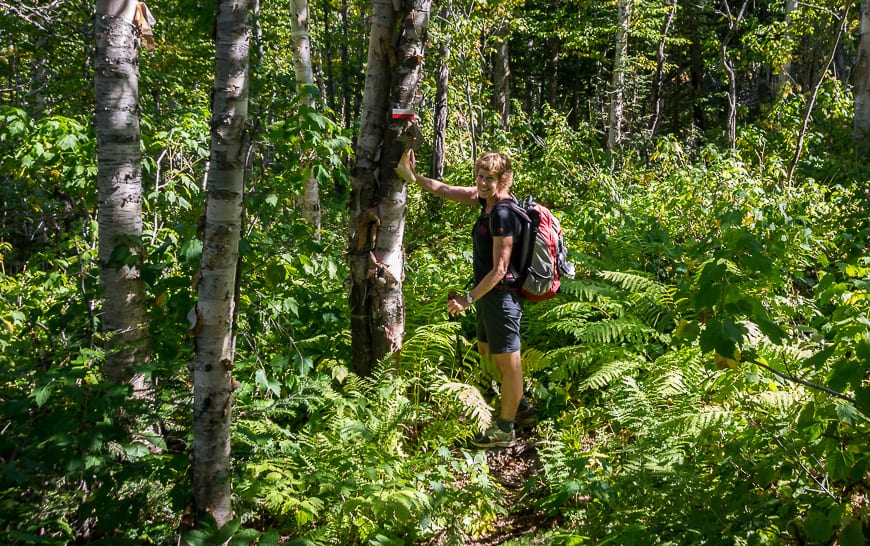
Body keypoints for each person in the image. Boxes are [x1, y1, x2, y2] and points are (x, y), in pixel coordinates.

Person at [396, 149, 534, 448]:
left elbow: (499, 269)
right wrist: (415, 177)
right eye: (480, 176)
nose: (482, 183)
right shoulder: (487, 202)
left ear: (504, 179)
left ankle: (505, 428)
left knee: (509, 364)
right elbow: (447, 190)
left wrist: (467, 299)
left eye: (490, 178)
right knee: (487, 353)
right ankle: (520, 404)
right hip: (488, 298)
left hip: (502, 298)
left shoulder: (502, 213)